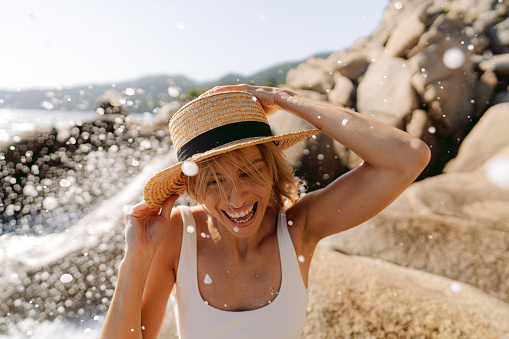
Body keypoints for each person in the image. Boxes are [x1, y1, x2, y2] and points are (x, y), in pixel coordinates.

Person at [100, 85, 430, 339]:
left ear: (272, 169)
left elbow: (407, 158)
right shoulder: (178, 235)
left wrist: (284, 98)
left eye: (249, 172)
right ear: (192, 188)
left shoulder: (299, 228)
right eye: (214, 181)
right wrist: (136, 257)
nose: (236, 198)